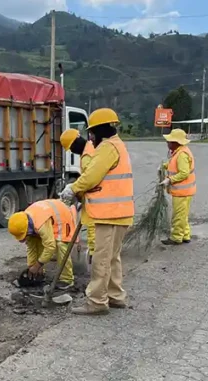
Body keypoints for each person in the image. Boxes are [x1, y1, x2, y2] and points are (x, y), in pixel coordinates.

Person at [60, 108, 134, 315]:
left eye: (92, 132)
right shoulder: (118, 146)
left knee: (101, 258)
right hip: (120, 213)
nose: (90, 137)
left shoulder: (108, 148)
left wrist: (73, 189)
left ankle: (97, 302)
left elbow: (92, 176)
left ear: (101, 129)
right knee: (112, 257)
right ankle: (115, 295)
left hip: (109, 214)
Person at [7, 199, 77, 290]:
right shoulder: (25, 221)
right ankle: (39, 274)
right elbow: (31, 247)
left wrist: (38, 265)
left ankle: (67, 280)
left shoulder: (40, 223)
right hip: (48, 218)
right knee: (36, 240)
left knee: (60, 245)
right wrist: (32, 268)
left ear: (26, 228)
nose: (22, 239)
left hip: (63, 219)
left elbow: (50, 247)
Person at [60, 128, 97, 263]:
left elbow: (89, 179)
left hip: (95, 202)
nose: (72, 152)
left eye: (71, 148)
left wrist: (74, 189)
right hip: (92, 200)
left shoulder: (87, 155)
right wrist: (80, 195)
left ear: (76, 142)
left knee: (93, 231)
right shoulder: (89, 150)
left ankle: (95, 262)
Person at [159, 129, 196, 245]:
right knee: (182, 215)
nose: (167, 143)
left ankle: (176, 237)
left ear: (176, 142)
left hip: (183, 192)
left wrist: (169, 180)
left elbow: (184, 173)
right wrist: (164, 166)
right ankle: (185, 235)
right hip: (184, 191)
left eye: (169, 141)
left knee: (178, 216)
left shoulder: (181, 154)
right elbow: (173, 165)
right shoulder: (179, 152)